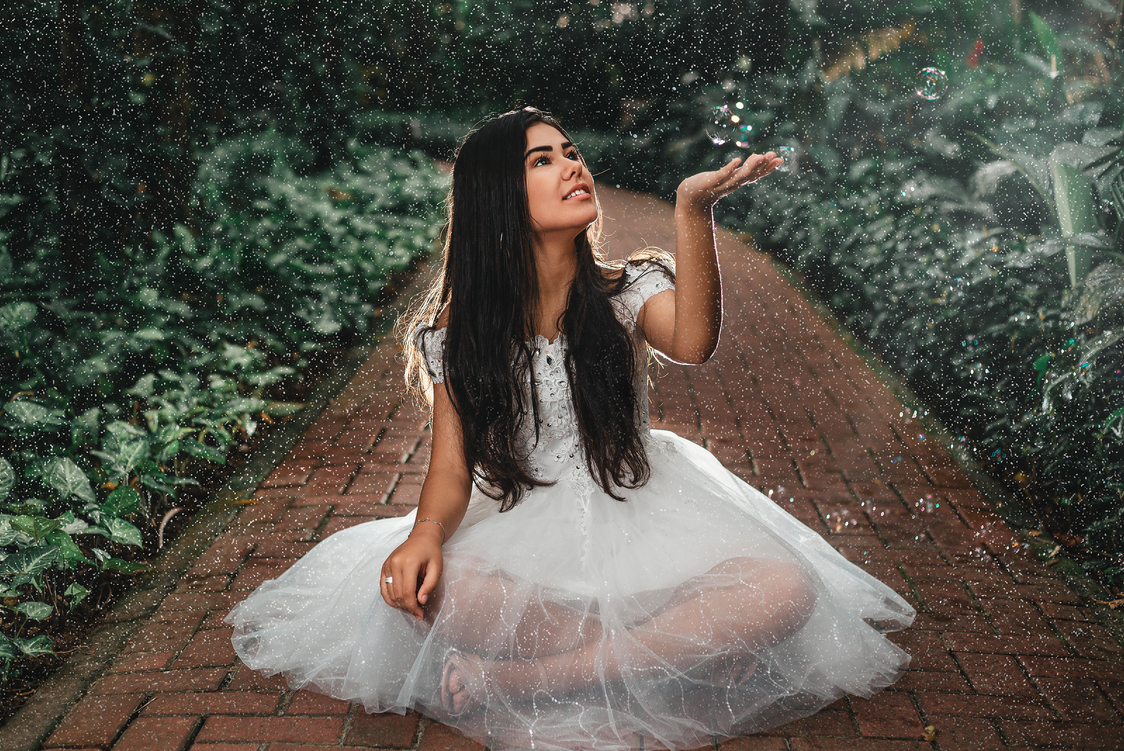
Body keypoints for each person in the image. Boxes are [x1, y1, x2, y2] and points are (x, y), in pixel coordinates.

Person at [227, 107, 915, 751]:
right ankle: (672, 651)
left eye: (572, 152)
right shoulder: (457, 334)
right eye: (542, 160)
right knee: (444, 594)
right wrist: (424, 536)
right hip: (523, 528)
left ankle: (532, 678)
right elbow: (448, 471)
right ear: (497, 197)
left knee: (784, 592)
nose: (572, 166)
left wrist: (692, 208)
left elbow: (695, 340)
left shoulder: (628, 292)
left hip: (642, 512)